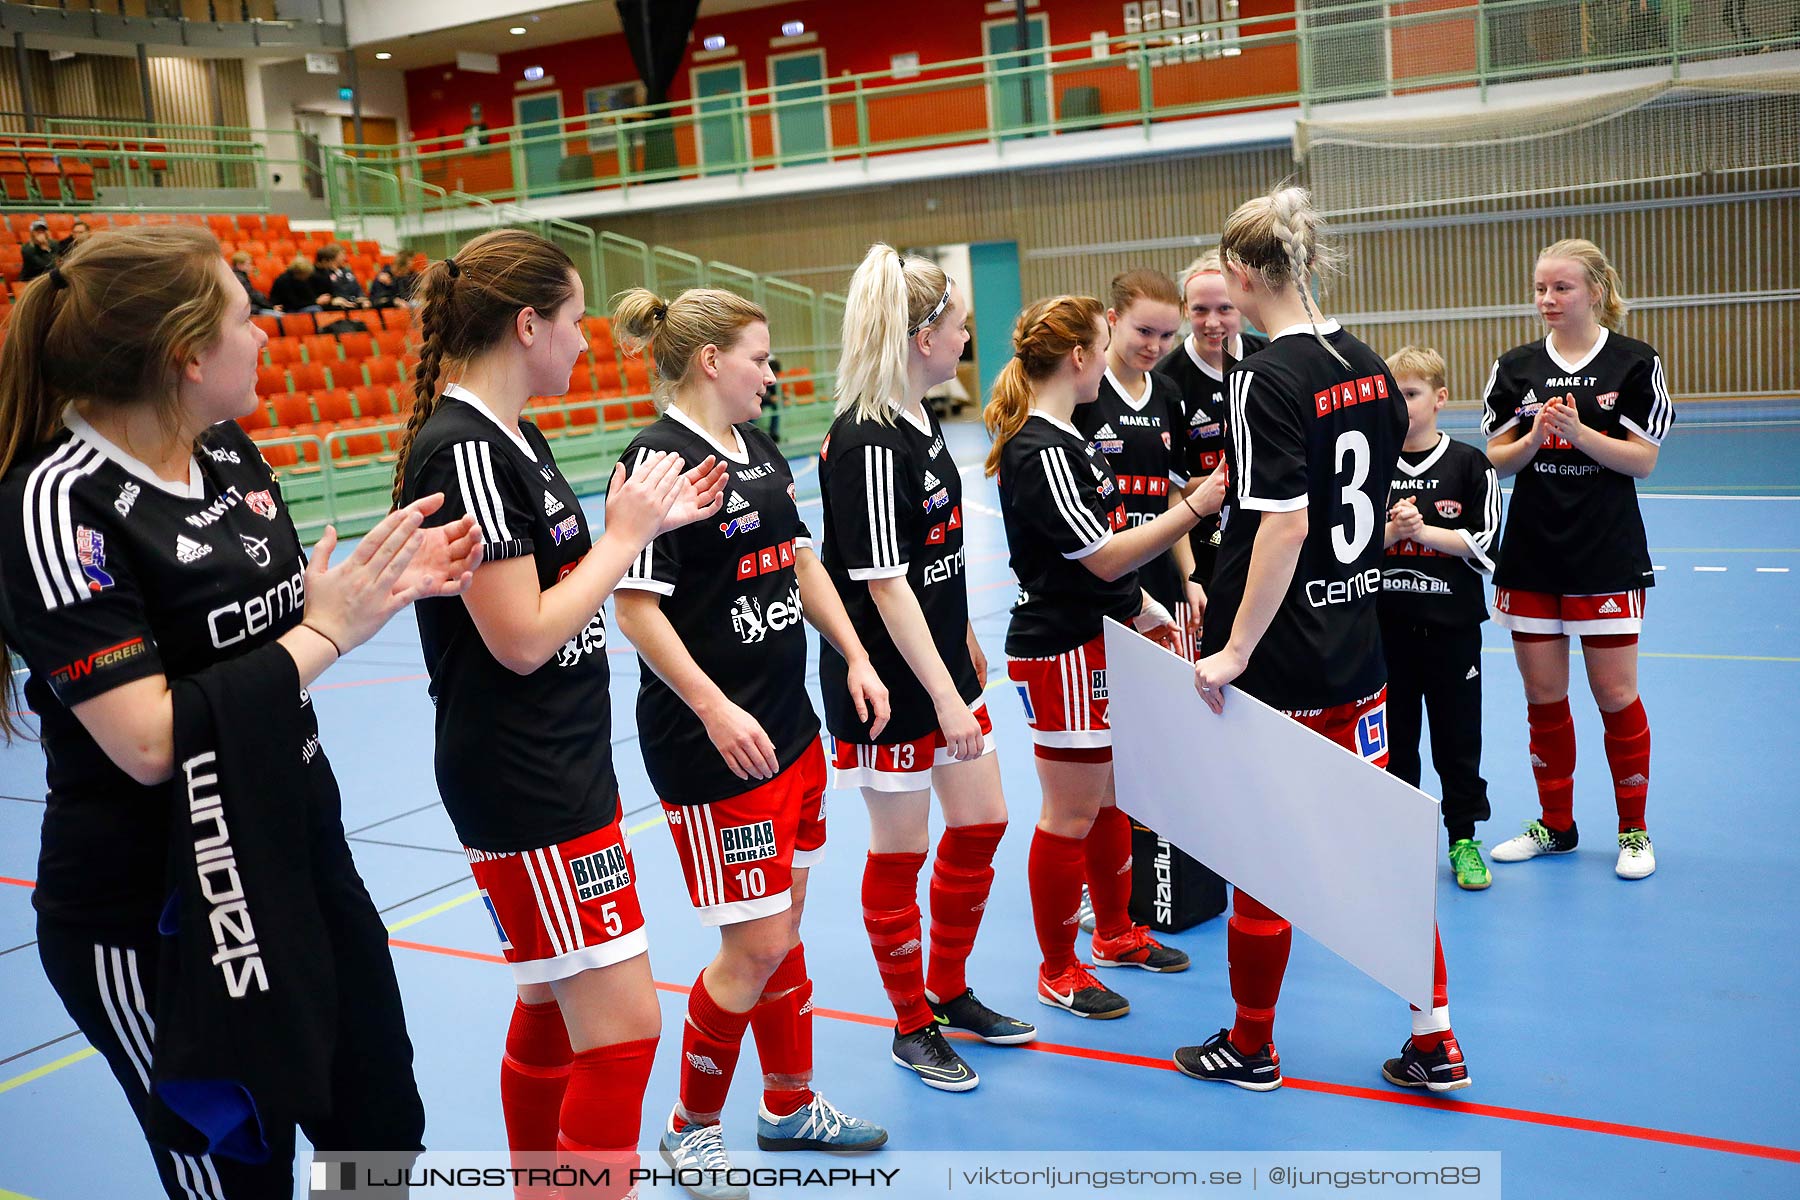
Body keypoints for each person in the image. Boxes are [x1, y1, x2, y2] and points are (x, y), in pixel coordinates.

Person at [0, 224, 481, 1197]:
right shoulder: (56, 506)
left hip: (296, 847)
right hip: (157, 906)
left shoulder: (225, 451)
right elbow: (145, 741)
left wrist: (362, 594)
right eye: (244, 315)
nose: (264, 333)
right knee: (238, 1176)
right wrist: (331, 631)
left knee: (377, 1120)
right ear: (186, 355)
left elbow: (263, 636)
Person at [392, 231, 727, 1193]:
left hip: (558, 763)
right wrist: (625, 539)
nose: (587, 341)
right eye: (576, 321)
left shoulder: (515, 438)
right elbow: (523, 636)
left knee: (548, 999)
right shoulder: (463, 449)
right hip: (527, 777)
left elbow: (555, 590)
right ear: (527, 324)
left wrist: (645, 527)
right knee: (626, 1030)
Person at [1178, 185, 1471, 1095]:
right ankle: (1435, 1038)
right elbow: (1374, 506)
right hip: (1360, 650)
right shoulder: (1371, 363)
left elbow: (1283, 526)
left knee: (1261, 853)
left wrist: (1232, 651)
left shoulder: (1266, 378)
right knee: (1375, 846)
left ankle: (1253, 1043)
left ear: (1242, 271)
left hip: (1285, 658)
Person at [610, 286, 891, 1196]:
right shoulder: (656, 461)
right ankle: (689, 1128)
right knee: (755, 945)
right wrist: (711, 708)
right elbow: (637, 611)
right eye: (760, 359)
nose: (772, 374)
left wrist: (852, 653)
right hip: (718, 750)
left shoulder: (757, 450)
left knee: (783, 933)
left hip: (792, 730)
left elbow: (800, 563)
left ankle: (789, 1104)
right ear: (709, 362)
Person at [818, 244, 1037, 1095]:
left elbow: (935, 560)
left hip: (942, 665)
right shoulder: (868, 439)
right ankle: (911, 1020)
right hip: (890, 686)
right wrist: (945, 696)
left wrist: (966, 643)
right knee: (901, 848)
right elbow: (882, 582)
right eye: (957, 325)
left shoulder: (921, 419)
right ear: (920, 336)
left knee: (981, 823)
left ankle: (948, 990)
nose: (967, 337)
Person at [984, 293, 1225, 1022]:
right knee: (1069, 811)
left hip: (1102, 634)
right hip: (1058, 650)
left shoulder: (1068, 436)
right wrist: (1196, 505)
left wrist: (1146, 612)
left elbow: (1109, 562)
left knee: (1116, 795)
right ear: (1081, 357)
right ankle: (1057, 968)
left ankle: (1116, 933)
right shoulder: (1039, 447)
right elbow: (1102, 556)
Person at [1481, 239, 1673, 880]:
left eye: (1561, 288)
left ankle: (1634, 830)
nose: (1547, 300)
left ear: (1594, 289)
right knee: (1543, 694)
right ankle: (1556, 824)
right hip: (1532, 553)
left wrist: (1581, 435)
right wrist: (1535, 437)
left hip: (1606, 552)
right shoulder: (1515, 368)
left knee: (1615, 694)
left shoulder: (1635, 363)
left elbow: (1642, 461)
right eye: (1540, 288)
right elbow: (1496, 459)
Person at [1377, 346, 1500, 891]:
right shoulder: (1365, 466)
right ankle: (1399, 840)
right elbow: (1342, 548)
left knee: (1457, 738)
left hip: (1452, 632)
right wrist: (1390, 534)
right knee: (1393, 741)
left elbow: (1487, 543)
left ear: (1440, 398)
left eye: (1411, 394)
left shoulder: (1471, 464)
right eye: (1392, 396)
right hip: (1382, 632)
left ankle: (1463, 838)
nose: (1400, 406)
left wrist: (1421, 532)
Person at [1074, 269, 1196, 657]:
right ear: (1112, 320)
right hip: (1102, 584)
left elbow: (1172, 491)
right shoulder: (1082, 392)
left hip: (1160, 577)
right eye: (1144, 331)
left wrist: (1190, 575)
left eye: (1167, 335)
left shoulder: (1169, 393)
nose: (1156, 346)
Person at [1154, 250, 1268, 589]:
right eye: (1200, 310)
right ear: (1185, 310)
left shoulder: (1270, 357)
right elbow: (1169, 486)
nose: (1212, 322)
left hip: (1266, 532)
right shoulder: (1167, 378)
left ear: (1242, 306)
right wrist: (1225, 483)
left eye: (1225, 308)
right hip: (1199, 540)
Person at [314, 244, 371, 310]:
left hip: (354, 301)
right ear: (333, 257)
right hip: (340, 303)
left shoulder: (347, 271)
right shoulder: (325, 273)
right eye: (342, 255)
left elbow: (357, 287)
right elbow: (333, 292)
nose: (345, 258)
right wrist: (348, 300)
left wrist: (362, 298)